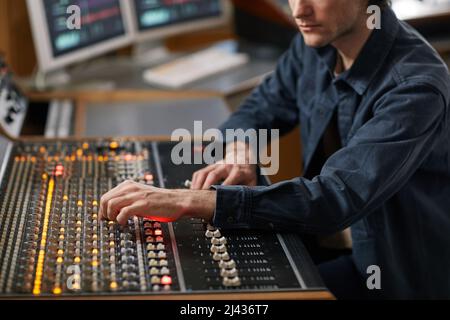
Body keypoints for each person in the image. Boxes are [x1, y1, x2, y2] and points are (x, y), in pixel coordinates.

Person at [99, 0, 450, 299]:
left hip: (392, 277)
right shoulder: (316, 41)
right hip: (327, 246)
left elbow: (335, 198)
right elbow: (259, 109)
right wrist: (241, 150)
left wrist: (189, 201)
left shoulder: (416, 89)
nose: (299, 10)